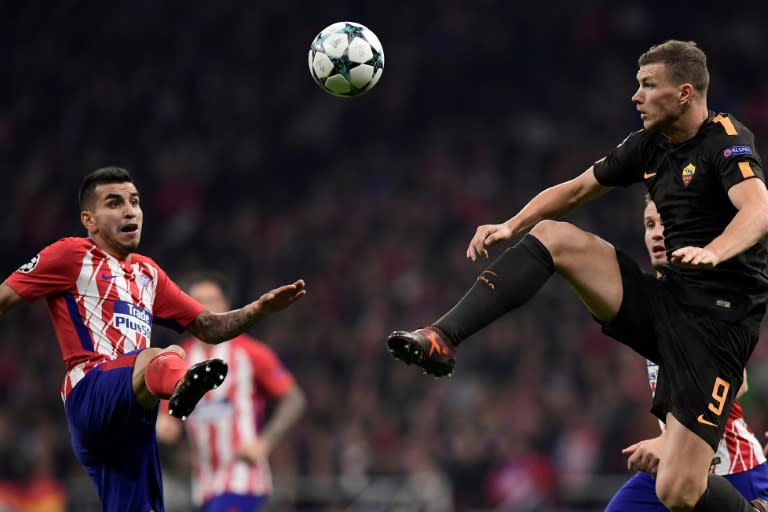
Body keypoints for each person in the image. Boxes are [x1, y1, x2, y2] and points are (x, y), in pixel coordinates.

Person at [386, 40, 768, 511]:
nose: (636, 96)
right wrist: (511, 224)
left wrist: (714, 252)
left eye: (648, 85)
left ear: (685, 93)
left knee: (677, 490)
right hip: (668, 303)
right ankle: (442, 337)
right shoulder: (648, 146)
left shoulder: (726, 138)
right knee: (554, 237)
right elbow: (576, 190)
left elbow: (759, 209)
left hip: (718, 326)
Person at [0, 167, 307, 512]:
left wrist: (258, 309)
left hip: (135, 418)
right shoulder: (70, 254)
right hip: (91, 391)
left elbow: (208, 326)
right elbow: (4, 298)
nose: (129, 210)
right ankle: (182, 386)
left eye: (135, 201)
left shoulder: (149, 273)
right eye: (114, 203)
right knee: (163, 355)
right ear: (90, 220)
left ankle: (179, 386)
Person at [604, 197, 768, 510]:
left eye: (664, 223)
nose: (655, 233)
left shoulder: (707, 297)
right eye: (649, 225)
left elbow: (738, 382)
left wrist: (669, 440)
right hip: (672, 467)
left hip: (734, 471)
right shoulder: (654, 299)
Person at [156, 272, 306, 512]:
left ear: (226, 305)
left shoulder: (249, 353)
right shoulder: (179, 360)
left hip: (242, 478)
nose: (205, 308)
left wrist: (264, 443)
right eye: (197, 301)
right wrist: (164, 427)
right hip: (204, 484)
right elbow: (169, 422)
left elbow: (294, 399)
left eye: (212, 300)